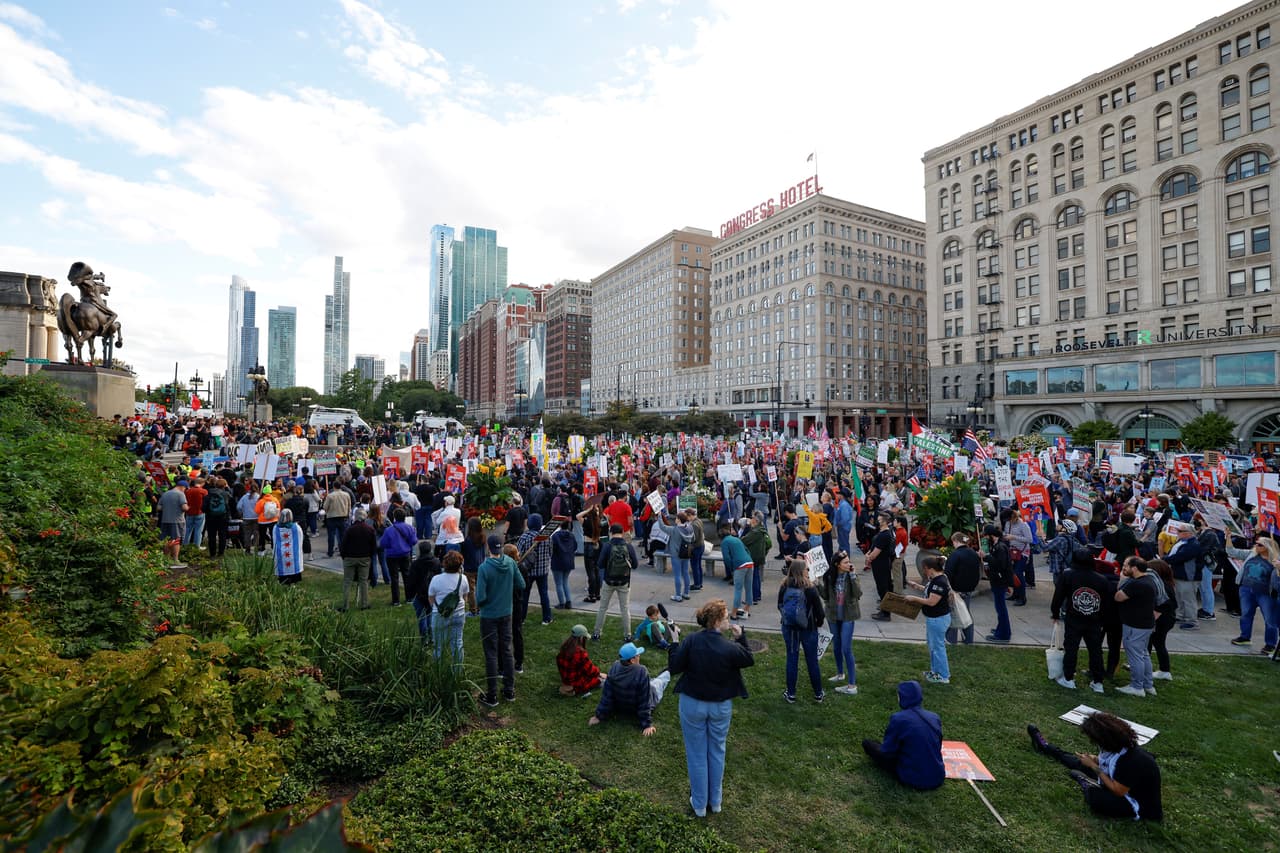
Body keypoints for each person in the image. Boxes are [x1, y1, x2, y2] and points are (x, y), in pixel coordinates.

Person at [669, 599, 755, 818]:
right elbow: (748, 659)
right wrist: (741, 637)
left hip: (692, 704)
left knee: (696, 753)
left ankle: (699, 805)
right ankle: (715, 802)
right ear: (717, 621)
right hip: (720, 707)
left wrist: (675, 640)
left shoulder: (691, 640)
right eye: (726, 617)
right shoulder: (730, 648)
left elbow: (674, 667)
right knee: (716, 751)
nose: (729, 620)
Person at [1027, 712, 1163, 821]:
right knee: (1079, 763)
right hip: (1118, 782)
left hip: (1135, 803)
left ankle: (1087, 784)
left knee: (1097, 800)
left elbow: (1118, 791)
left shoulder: (1133, 761)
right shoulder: (1121, 747)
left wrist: (1093, 766)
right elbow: (1113, 765)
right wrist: (1095, 760)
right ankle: (1045, 747)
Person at [861, 680, 945, 791]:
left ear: (902, 697)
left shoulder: (898, 719)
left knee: (869, 744)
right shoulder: (934, 717)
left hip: (912, 778)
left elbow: (887, 750)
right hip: (938, 776)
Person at [1049, 550, 1111, 693]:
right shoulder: (1101, 579)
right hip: (1094, 619)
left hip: (1074, 617)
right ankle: (1098, 682)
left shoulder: (1068, 575)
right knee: (1095, 650)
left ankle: (1069, 678)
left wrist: (1055, 613)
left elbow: (1058, 596)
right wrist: (1102, 619)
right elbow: (1106, 602)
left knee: (1071, 648)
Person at [476, 533, 525, 707]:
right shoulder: (511, 563)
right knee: (507, 650)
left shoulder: (484, 568)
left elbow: (480, 597)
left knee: (491, 653)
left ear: (488, 547)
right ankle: (509, 690)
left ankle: (492, 695)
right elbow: (521, 584)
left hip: (489, 615)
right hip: (506, 613)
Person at [589, 641, 671, 735]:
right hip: (642, 702)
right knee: (660, 682)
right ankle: (668, 671)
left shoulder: (615, 666)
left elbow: (607, 695)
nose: (639, 656)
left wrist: (598, 716)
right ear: (632, 660)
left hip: (621, 706)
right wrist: (647, 724)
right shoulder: (641, 671)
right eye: (637, 655)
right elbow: (645, 700)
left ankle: (658, 676)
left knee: (651, 682)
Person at [777, 556, 826, 703]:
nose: (808, 571)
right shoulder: (810, 589)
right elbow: (820, 612)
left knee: (792, 659)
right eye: (807, 569)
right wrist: (818, 623)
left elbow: (779, 605)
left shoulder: (784, 586)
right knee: (812, 661)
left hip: (789, 628)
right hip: (808, 629)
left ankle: (791, 694)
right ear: (802, 571)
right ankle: (818, 693)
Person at [1114, 557, 1160, 698]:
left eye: (1126, 565)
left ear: (1134, 568)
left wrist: (1122, 580)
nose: (1124, 568)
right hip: (1146, 624)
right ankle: (1148, 685)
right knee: (1143, 654)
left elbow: (1118, 597)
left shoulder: (1135, 584)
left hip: (1135, 625)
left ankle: (1137, 686)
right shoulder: (1150, 580)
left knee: (1135, 656)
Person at [1228, 535, 1280, 654]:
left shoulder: (1276, 560)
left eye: (1260, 544)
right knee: (1246, 614)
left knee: (1269, 618)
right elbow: (1232, 552)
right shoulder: (1251, 554)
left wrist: (1278, 568)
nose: (1256, 546)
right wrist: (1228, 537)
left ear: (1268, 547)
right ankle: (1245, 637)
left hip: (1265, 593)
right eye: (1256, 543)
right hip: (1246, 589)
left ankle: (1270, 644)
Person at [593, 524, 637, 642]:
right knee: (625, 609)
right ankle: (627, 635)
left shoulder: (607, 546)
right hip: (624, 582)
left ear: (611, 532)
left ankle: (597, 633)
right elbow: (635, 565)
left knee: (603, 608)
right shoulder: (628, 546)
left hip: (609, 581)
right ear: (622, 532)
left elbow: (600, 564)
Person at [825, 550, 860, 695]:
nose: (849, 564)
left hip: (848, 616)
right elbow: (825, 596)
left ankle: (852, 685)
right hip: (833, 615)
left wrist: (853, 576)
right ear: (837, 565)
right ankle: (840, 674)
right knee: (837, 646)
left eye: (848, 561)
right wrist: (816, 585)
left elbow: (858, 594)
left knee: (846, 649)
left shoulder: (850, 576)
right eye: (845, 562)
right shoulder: (829, 576)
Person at [428, 550, 469, 663]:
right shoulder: (463, 578)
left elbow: (431, 599)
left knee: (438, 645)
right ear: (460, 565)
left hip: (439, 614)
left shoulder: (436, 579)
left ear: (444, 564)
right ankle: (458, 671)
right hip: (459, 614)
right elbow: (465, 597)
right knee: (457, 643)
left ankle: (438, 671)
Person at [516, 513, 555, 625]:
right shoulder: (547, 537)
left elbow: (518, 554)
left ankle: (521, 618)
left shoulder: (524, 537)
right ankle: (546, 618)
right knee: (544, 594)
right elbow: (550, 553)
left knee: (524, 595)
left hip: (527, 571)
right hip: (543, 571)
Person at [943, 532, 982, 645]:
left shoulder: (955, 555)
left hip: (956, 589)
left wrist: (947, 588)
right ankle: (968, 638)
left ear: (956, 541)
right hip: (969, 589)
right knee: (966, 614)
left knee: (953, 614)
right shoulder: (973, 553)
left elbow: (948, 574)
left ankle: (951, 639)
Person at [1165, 523, 1203, 630]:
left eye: (1180, 531)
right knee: (1179, 597)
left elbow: (1180, 556)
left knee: (1188, 599)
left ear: (1188, 533)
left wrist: (1165, 560)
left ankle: (1192, 622)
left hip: (1188, 576)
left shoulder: (1193, 544)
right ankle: (1181, 615)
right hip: (1179, 574)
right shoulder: (1181, 542)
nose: (1177, 532)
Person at [338, 508, 377, 611]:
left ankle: (345, 606)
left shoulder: (349, 529)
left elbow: (343, 545)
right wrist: (369, 556)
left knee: (347, 582)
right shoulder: (370, 529)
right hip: (364, 558)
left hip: (349, 558)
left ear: (355, 517)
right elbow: (374, 546)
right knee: (363, 581)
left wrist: (344, 556)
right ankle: (364, 604)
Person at [379, 507, 419, 607]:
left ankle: (396, 601)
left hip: (392, 555)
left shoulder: (389, 530)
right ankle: (409, 598)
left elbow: (383, 543)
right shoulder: (410, 528)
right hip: (405, 554)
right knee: (407, 576)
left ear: (394, 517)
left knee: (394, 578)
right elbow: (414, 541)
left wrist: (391, 546)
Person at [982, 524, 1014, 643]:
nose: (985, 538)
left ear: (992, 535)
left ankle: (1004, 634)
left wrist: (987, 557)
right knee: (999, 608)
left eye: (986, 536)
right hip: (998, 580)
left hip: (1000, 581)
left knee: (1001, 608)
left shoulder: (1000, 547)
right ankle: (1001, 629)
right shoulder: (998, 545)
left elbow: (1000, 564)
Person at [1147, 559, 1177, 680]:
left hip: (1162, 620)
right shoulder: (1166, 584)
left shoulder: (1163, 585)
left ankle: (1164, 670)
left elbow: (1171, 604)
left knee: (1157, 643)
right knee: (1154, 642)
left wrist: (1156, 613)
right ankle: (1161, 669)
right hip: (1166, 619)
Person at [719, 522, 754, 620]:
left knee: (738, 589)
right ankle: (746, 610)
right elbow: (747, 550)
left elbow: (726, 558)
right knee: (748, 588)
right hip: (749, 562)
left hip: (740, 566)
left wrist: (731, 569)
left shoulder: (724, 542)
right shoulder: (736, 538)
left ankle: (734, 613)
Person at [557, 624, 604, 696]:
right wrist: (600, 674)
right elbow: (590, 670)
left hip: (566, 680)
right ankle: (572, 690)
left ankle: (567, 688)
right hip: (576, 682)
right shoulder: (579, 652)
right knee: (603, 681)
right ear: (581, 637)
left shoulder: (564, 647)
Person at [865, 514, 896, 621]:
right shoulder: (883, 533)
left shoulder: (885, 535)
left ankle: (885, 613)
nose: (877, 521)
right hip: (880, 563)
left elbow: (876, 552)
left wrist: (869, 558)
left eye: (879, 520)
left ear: (885, 521)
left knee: (883, 587)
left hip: (881, 564)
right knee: (883, 586)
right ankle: (885, 609)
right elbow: (874, 546)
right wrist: (868, 553)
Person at [740, 511, 770, 606]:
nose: (750, 519)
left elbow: (744, 540)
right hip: (758, 555)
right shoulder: (761, 529)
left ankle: (753, 597)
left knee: (752, 577)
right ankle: (757, 595)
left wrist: (746, 529)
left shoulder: (755, 531)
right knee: (756, 576)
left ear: (755, 520)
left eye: (752, 517)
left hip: (754, 556)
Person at [158, 479, 188, 565]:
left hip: (165, 520)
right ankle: (175, 560)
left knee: (166, 540)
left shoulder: (165, 494)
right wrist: (188, 508)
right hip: (177, 521)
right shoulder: (180, 494)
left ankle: (166, 560)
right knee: (176, 540)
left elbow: (159, 508)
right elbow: (184, 508)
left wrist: (168, 509)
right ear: (183, 487)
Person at [550, 517, 578, 609]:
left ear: (560, 525)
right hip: (569, 561)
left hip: (558, 560)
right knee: (565, 582)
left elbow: (552, 548)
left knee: (559, 583)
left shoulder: (555, 536)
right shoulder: (571, 535)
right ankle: (568, 601)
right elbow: (575, 547)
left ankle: (562, 602)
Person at [272, 508, 304, 585]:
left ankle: (283, 581)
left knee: (283, 568)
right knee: (293, 567)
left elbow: (274, 540)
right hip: (293, 554)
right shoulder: (296, 527)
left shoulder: (276, 528)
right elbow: (300, 539)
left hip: (281, 554)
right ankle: (294, 581)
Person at [322, 483, 352, 558]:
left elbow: (325, 507)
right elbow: (349, 506)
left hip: (332, 517)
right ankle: (343, 551)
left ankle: (330, 552)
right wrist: (348, 514)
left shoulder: (330, 496)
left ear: (334, 487)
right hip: (343, 516)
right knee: (343, 536)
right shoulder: (346, 495)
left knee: (331, 536)